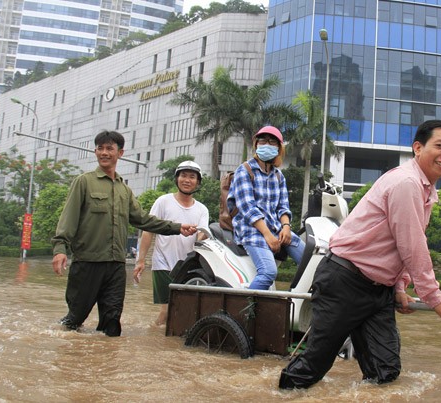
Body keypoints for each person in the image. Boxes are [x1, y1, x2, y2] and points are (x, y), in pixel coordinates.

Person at [279, 120, 441, 389]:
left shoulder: (425, 190)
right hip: (345, 279)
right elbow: (412, 244)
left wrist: (400, 286)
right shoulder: (407, 183)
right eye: (440, 146)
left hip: (379, 290)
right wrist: (434, 297)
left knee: (384, 370)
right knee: (314, 364)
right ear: (418, 148)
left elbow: (402, 243)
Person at [52, 130, 197, 337]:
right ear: (95, 152)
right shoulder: (84, 182)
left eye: (109, 148)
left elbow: (142, 220)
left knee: (112, 324)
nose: (104, 153)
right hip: (87, 264)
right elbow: (68, 219)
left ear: (120, 153)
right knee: (74, 320)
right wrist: (59, 249)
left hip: (116, 267)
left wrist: (177, 228)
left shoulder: (124, 190)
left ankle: (106, 362)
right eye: (100, 148)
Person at [227, 126, 305, 290]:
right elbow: (248, 208)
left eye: (272, 141)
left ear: (279, 148)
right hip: (252, 230)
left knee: (310, 262)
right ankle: (245, 311)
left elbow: (283, 207)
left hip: (276, 228)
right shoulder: (245, 170)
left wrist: (286, 227)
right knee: (268, 273)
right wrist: (268, 235)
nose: (267, 144)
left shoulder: (278, 175)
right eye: (263, 140)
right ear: (256, 144)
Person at [133, 160, 209, 326]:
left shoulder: (202, 209)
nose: (187, 180)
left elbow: (202, 234)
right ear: (177, 179)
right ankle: (153, 339)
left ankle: (159, 337)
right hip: (163, 263)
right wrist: (141, 260)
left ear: (198, 182)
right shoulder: (163, 201)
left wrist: (201, 235)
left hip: (186, 266)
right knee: (167, 310)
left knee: (182, 310)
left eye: (192, 177)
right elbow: (149, 230)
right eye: (183, 175)